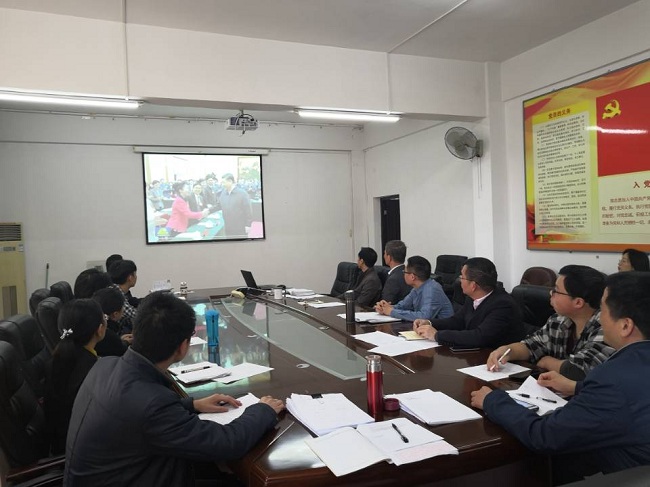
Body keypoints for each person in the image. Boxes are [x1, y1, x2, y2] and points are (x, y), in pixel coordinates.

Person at [65, 291, 284, 486]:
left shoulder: (105, 365)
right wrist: (262, 410)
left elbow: (133, 415)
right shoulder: (152, 404)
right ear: (183, 347)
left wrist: (192, 404)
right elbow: (228, 443)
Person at [471, 272, 650, 485]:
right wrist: (578, 387)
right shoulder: (633, 367)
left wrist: (492, 401)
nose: (600, 318)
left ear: (626, 326)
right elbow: (634, 398)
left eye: (603, 309)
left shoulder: (613, 376)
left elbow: (545, 436)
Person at [487, 265, 614, 380]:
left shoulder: (605, 327)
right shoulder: (559, 320)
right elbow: (532, 345)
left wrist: (547, 362)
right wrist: (507, 350)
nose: (550, 293)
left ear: (578, 302)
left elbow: (578, 371)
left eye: (556, 290)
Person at [413, 257, 524, 348]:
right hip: (477, 354)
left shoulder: (503, 305)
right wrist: (429, 323)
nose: (459, 280)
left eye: (462, 277)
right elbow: (457, 321)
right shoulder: (472, 298)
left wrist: (437, 335)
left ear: (473, 285)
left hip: (500, 361)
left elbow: (479, 336)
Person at [45, 299, 106, 454]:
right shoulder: (95, 371)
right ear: (100, 330)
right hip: (84, 452)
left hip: (62, 441)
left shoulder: (56, 358)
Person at [375, 255, 453, 321]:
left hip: (442, 331)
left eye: (404, 272)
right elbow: (402, 306)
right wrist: (385, 308)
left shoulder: (432, 289)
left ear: (412, 277)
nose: (403, 275)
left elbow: (424, 317)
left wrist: (391, 312)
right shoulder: (416, 288)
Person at [92, 287, 132, 357]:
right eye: (122, 307)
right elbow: (120, 350)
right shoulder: (109, 335)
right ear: (115, 314)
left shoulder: (90, 325)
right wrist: (125, 342)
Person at [108, 259, 139, 334]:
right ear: (130, 277)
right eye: (135, 274)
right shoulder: (115, 294)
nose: (136, 277)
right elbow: (136, 315)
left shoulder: (114, 289)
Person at [380, 240, 411, 304]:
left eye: (384, 253)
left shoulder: (393, 279)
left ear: (389, 257)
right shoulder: (409, 274)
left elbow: (386, 304)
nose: (384, 256)